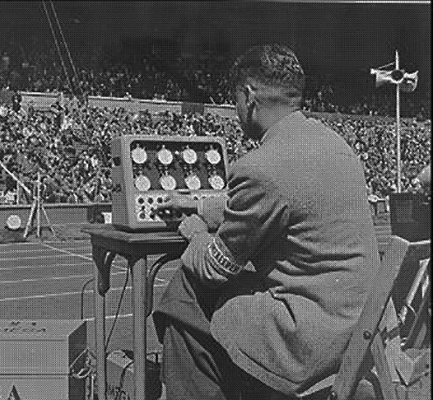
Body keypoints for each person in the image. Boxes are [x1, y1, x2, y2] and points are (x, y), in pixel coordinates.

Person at [154, 44, 380, 400]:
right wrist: (196, 203)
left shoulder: (260, 166)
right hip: (357, 325)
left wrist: (196, 232)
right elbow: (280, 202)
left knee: (183, 292)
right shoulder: (335, 145)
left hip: (308, 341)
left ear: (248, 97)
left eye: (236, 102)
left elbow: (215, 267)